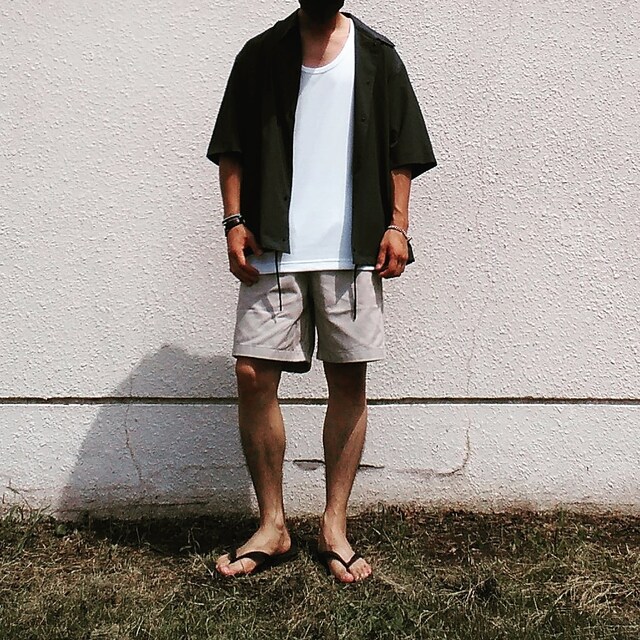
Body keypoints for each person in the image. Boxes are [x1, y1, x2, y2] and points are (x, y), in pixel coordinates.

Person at [205, 0, 436, 583]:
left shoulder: (377, 56)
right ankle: (273, 525)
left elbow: (401, 151)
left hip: (352, 249)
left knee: (349, 380)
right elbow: (231, 144)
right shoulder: (260, 54)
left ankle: (334, 525)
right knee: (252, 373)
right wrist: (233, 221)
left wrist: (398, 225)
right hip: (273, 243)